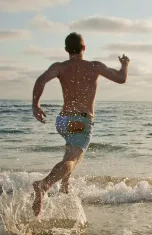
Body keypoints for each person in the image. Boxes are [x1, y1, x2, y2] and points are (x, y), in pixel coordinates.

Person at [31, 32, 130, 217]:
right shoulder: (94, 67)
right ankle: (43, 185)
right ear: (84, 48)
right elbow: (121, 78)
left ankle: (65, 186)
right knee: (72, 160)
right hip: (80, 122)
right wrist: (125, 64)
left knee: (71, 152)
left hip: (62, 121)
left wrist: (35, 105)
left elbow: (40, 80)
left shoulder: (59, 67)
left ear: (66, 50)